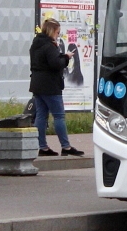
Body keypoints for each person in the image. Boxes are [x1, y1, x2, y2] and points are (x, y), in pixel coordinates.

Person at [29, 19, 85, 157]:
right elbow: (55, 64)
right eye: (57, 32)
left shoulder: (36, 44)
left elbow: (45, 62)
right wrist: (66, 58)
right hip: (50, 85)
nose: (58, 35)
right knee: (59, 116)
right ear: (52, 31)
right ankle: (66, 147)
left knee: (41, 116)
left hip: (37, 84)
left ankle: (42, 147)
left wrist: (61, 56)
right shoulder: (49, 46)